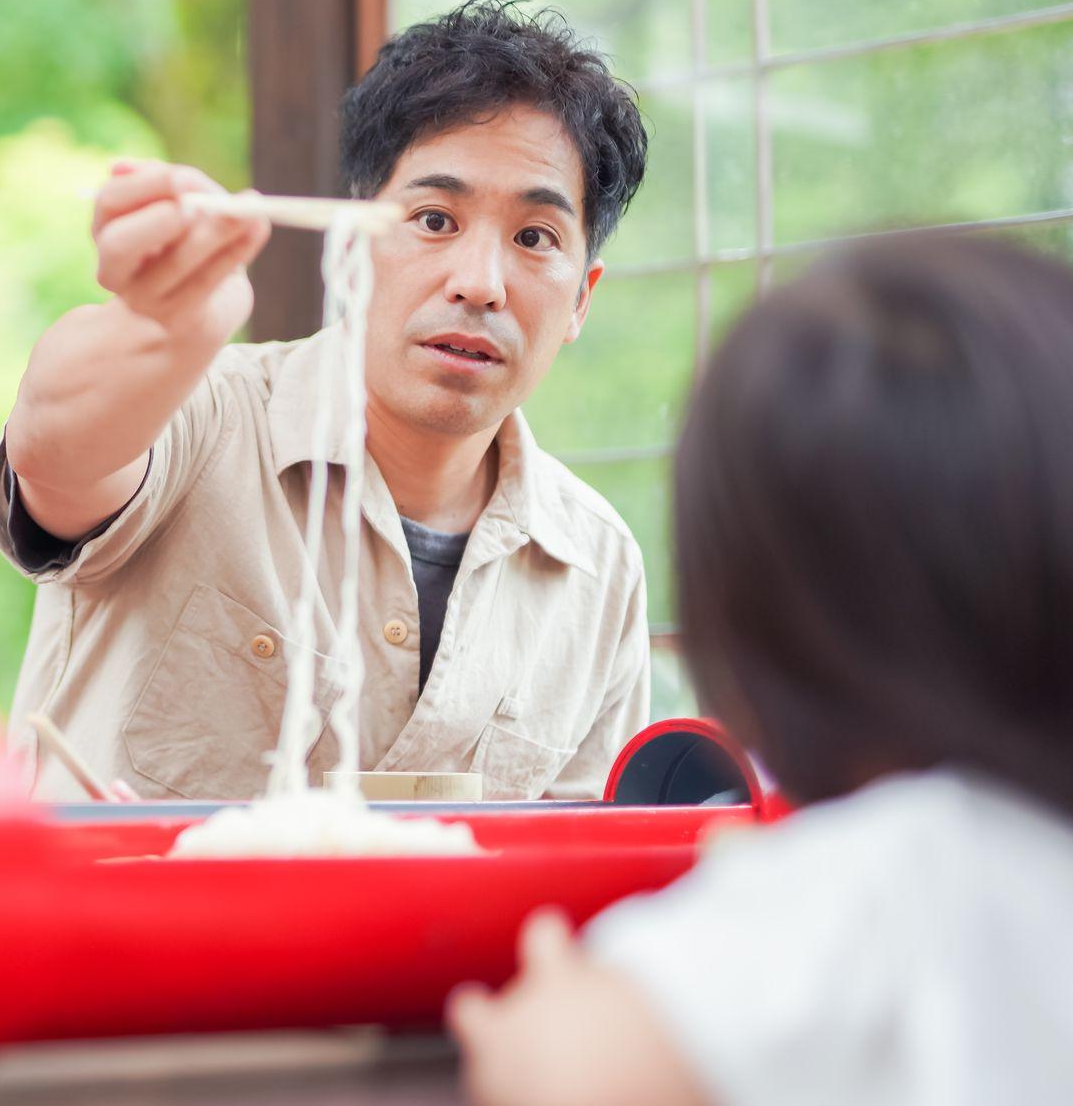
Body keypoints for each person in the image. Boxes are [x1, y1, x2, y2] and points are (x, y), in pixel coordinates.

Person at [449, 236, 1073, 1106]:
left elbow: (575, 1066)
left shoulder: (872, 889)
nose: (477, 283)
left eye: (534, 237)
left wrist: (549, 1006)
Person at [0, 0, 653, 800]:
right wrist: (160, 329)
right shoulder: (206, 415)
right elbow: (56, 450)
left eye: (534, 238)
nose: (478, 284)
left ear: (582, 298)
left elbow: (581, 872)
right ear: (353, 237)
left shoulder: (599, 567)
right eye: (435, 219)